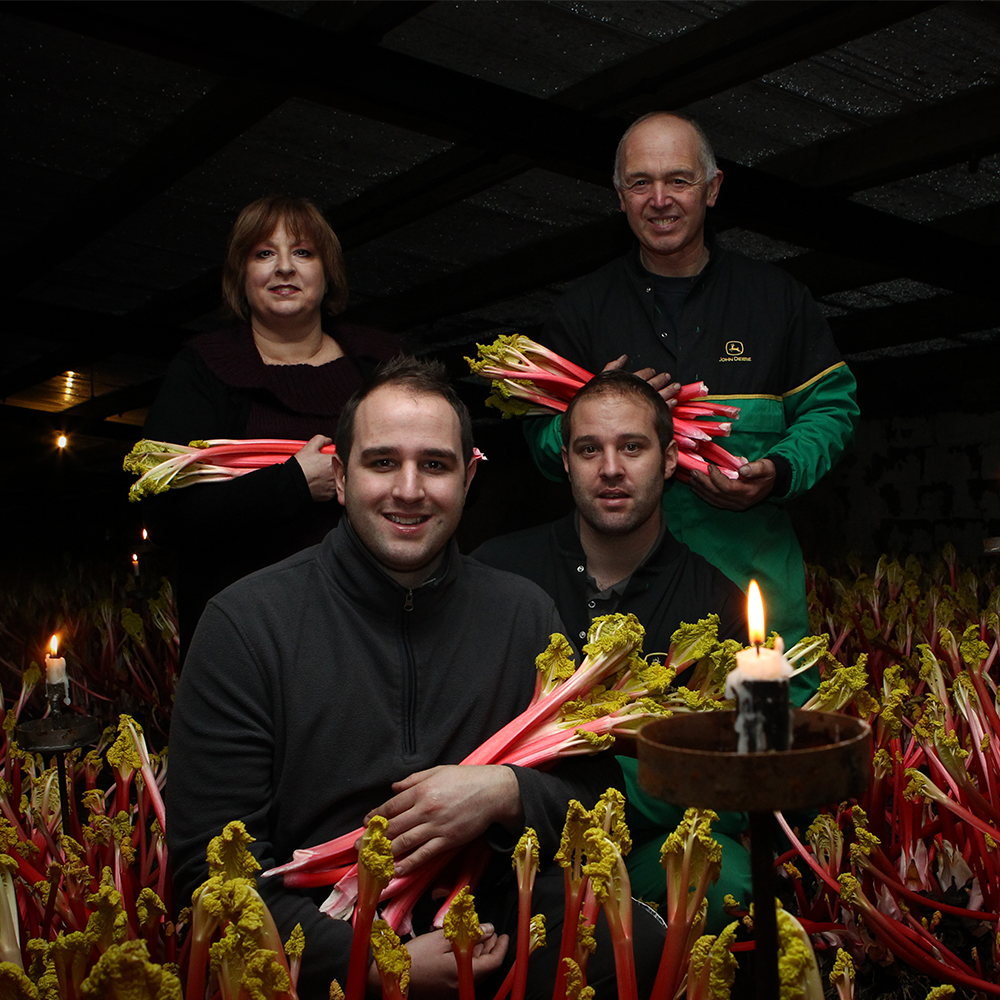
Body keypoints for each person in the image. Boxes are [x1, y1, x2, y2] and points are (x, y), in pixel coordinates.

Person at [166, 357, 665, 998]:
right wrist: (375, 963)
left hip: (487, 925)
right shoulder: (246, 624)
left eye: (435, 464)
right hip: (315, 943)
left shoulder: (523, 613)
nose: (410, 489)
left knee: (638, 940)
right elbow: (210, 874)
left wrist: (504, 793)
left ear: (468, 477)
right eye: (382, 463)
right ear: (340, 479)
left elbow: (596, 802)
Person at [523, 112, 859, 698]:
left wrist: (778, 471)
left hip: (751, 583)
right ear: (619, 195)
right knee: (630, 760)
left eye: (678, 180)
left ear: (712, 188)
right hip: (621, 597)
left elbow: (833, 408)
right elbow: (541, 441)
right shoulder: (582, 311)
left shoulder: (775, 299)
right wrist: (596, 407)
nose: (659, 200)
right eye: (640, 183)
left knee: (766, 749)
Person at [474, 370, 751, 928]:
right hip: (495, 842)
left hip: (638, 850)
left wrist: (595, 799)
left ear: (670, 459)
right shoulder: (495, 570)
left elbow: (725, 782)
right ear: (566, 462)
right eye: (588, 449)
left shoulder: (716, 603)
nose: (611, 469)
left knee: (730, 880)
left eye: (632, 447)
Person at [141, 195, 399, 656]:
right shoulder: (204, 369)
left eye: (303, 252)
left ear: (328, 272)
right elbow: (166, 517)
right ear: (241, 275)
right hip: (251, 638)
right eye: (264, 253)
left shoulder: (381, 362)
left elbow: (457, 467)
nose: (284, 267)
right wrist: (293, 484)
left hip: (381, 627)